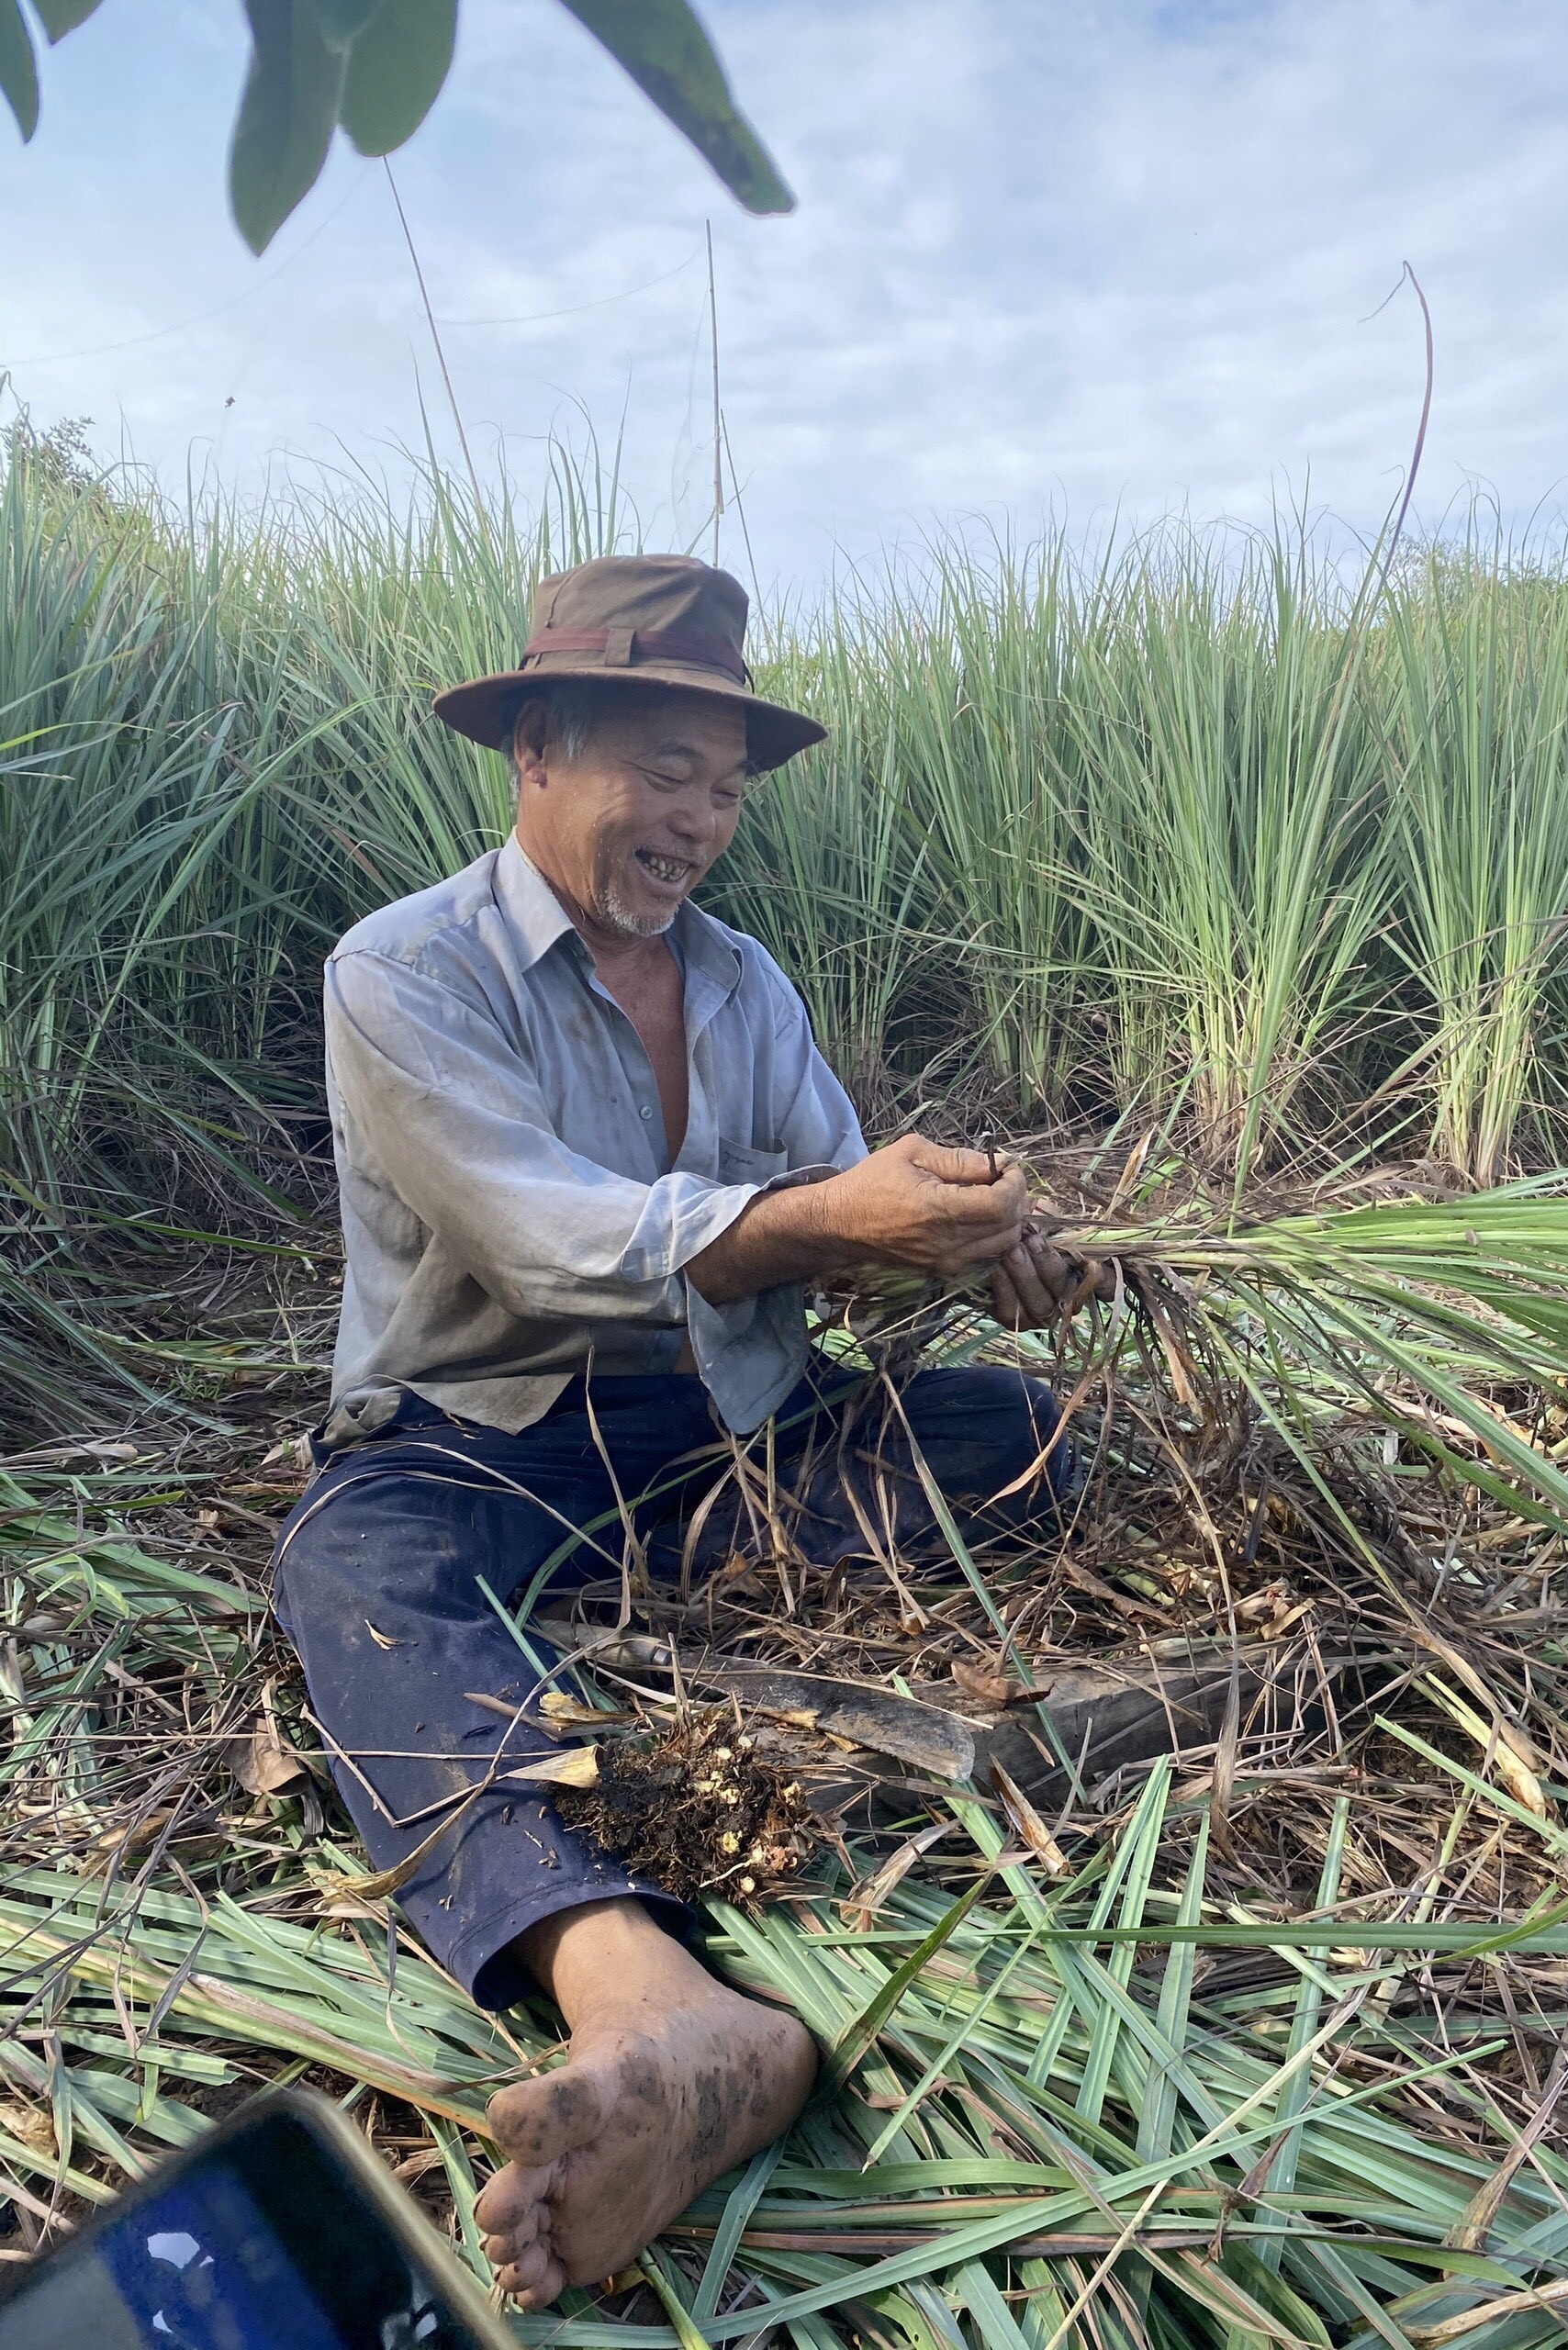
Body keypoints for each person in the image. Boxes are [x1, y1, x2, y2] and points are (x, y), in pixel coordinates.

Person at [272, 555, 1077, 2311]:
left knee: (1025, 1430)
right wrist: (829, 1224)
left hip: (727, 1431)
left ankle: (675, 1563)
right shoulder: (402, 971)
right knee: (357, 1574)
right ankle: (641, 1992)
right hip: (484, 1432)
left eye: (726, 785)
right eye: (664, 769)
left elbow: (834, 1222)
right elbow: (546, 1242)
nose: (703, 819)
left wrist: (975, 1245)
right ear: (538, 749)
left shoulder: (746, 983)